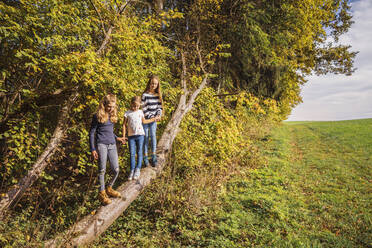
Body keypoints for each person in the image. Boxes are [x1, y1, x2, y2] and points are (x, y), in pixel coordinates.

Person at [89, 94, 125, 205]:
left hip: (112, 144)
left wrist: (117, 138)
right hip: (101, 145)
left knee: (116, 169)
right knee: (102, 170)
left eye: (113, 107)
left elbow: (109, 131)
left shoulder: (112, 116)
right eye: (109, 106)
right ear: (104, 105)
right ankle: (102, 193)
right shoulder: (97, 116)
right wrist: (93, 149)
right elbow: (91, 133)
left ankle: (109, 188)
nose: (111, 108)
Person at [122, 96, 156, 180]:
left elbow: (144, 121)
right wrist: (123, 136)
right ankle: (132, 170)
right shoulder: (127, 113)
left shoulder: (140, 112)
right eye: (134, 106)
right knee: (132, 153)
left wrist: (153, 119)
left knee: (140, 152)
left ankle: (138, 169)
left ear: (139, 105)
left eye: (137, 106)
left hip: (140, 135)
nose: (135, 108)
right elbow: (124, 125)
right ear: (131, 104)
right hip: (131, 137)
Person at [141, 74, 163, 167]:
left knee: (153, 136)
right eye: (152, 83)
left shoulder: (158, 95)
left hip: (154, 120)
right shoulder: (144, 95)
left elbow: (159, 107)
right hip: (146, 120)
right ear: (149, 83)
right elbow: (143, 108)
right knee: (146, 138)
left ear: (157, 85)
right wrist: (152, 117)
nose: (153, 85)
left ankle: (153, 155)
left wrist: (158, 115)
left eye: (155, 84)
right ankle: (145, 157)